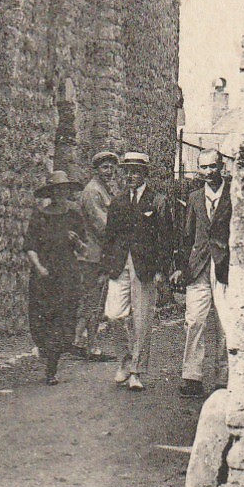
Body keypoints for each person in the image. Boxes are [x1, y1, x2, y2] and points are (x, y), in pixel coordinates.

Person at [103, 151, 173, 391]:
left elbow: (165, 238)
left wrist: (162, 270)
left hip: (145, 267)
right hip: (119, 264)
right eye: (128, 171)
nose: (131, 176)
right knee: (113, 315)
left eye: (136, 171)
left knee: (142, 320)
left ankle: (136, 371)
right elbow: (109, 237)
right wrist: (107, 265)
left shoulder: (157, 201)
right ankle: (124, 360)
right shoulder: (118, 201)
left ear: (145, 174)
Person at [171, 149, 232, 398]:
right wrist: (180, 267)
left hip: (225, 266)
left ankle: (224, 377)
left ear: (221, 167)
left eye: (212, 167)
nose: (208, 172)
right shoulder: (195, 197)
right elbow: (187, 236)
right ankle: (192, 376)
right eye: (203, 168)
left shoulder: (233, 194)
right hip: (198, 267)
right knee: (194, 320)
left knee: (224, 322)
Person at [23, 169, 82, 385]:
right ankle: (47, 352)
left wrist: (76, 241)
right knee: (42, 320)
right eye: (57, 190)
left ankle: (51, 368)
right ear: (51, 193)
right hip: (44, 275)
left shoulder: (74, 215)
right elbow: (30, 246)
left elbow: (83, 249)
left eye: (64, 190)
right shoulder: (40, 216)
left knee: (63, 319)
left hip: (67, 275)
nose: (61, 194)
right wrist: (39, 267)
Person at [74, 149, 120, 360]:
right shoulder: (93, 192)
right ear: (95, 170)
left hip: (100, 254)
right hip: (93, 255)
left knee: (95, 301)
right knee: (93, 300)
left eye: (112, 167)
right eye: (104, 167)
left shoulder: (104, 190)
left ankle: (80, 342)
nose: (109, 171)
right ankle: (87, 346)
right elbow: (103, 226)